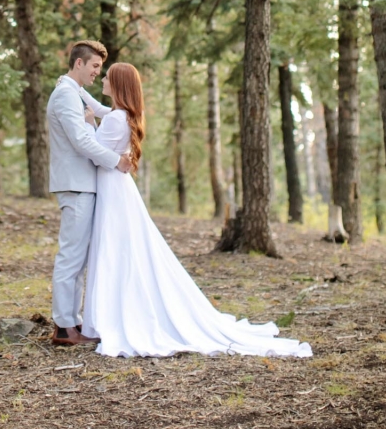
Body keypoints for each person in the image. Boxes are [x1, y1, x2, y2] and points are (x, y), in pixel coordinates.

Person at [82, 62, 313, 360]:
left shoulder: (115, 119)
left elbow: (95, 151)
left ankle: (112, 316)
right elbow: (105, 112)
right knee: (122, 249)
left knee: (114, 250)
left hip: (113, 189)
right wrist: (81, 94)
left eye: (107, 77)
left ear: (119, 85)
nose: (102, 79)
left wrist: (88, 123)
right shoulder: (122, 115)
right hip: (119, 188)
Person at [46, 40, 132, 347]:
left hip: (83, 183)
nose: (98, 72)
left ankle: (72, 322)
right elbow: (82, 142)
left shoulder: (72, 91)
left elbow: (104, 111)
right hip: (76, 183)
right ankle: (63, 326)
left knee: (78, 257)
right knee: (71, 256)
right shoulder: (65, 96)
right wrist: (116, 160)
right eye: (95, 66)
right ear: (79, 64)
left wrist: (129, 109)